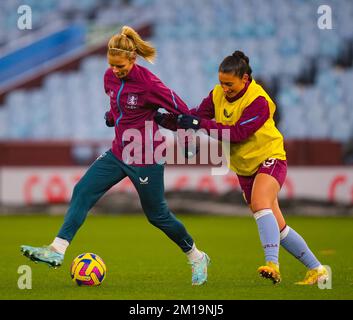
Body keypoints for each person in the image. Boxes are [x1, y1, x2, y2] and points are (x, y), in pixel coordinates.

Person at [21, 26, 210, 286]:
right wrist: (113, 117)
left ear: (133, 59)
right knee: (83, 190)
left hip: (146, 156)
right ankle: (57, 249)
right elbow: (119, 105)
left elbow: (183, 110)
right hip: (119, 152)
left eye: (120, 65)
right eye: (112, 65)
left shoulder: (148, 83)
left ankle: (196, 256)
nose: (116, 70)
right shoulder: (109, 77)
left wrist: (188, 137)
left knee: (158, 216)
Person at [156, 50, 328, 285]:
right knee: (277, 226)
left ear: (244, 79)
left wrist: (199, 123)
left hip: (270, 157)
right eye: (221, 83)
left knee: (260, 204)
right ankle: (318, 269)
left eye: (229, 84)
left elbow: (238, 133)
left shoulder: (259, 101)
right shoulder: (217, 94)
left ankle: (272, 265)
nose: (224, 88)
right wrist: (162, 119)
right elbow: (193, 117)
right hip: (244, 168)